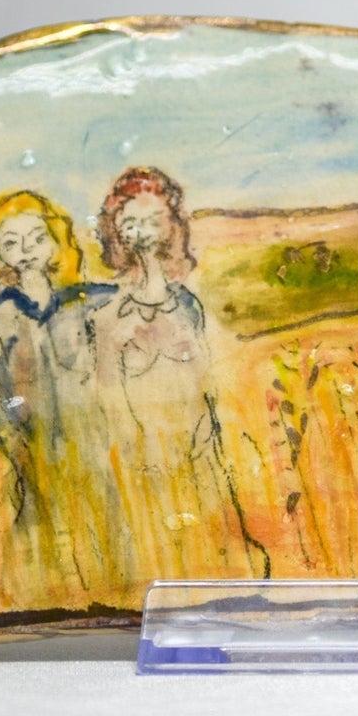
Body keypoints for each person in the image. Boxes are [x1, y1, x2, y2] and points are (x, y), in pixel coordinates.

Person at [0, 189, 117, 606]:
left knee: (103, 512)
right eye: (11, 242)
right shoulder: (2, 314)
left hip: (90, 437)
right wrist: (9, 424)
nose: (26, 250)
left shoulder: (80, 302)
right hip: (36, 441)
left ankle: (107, 591)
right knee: (40, 518)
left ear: (56, 242)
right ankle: (40, 598)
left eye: (37, 238)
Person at [90, 167, 240, 596]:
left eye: (153, 220)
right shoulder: (108, 317)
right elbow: (109, 393)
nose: (142, 232)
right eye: (130, 222)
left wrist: (206, 436)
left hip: (196, 445)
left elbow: (208, 381)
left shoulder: (187, 306)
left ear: (171, 226)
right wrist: (135, 449)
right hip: (143, 454)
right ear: (116, 231)